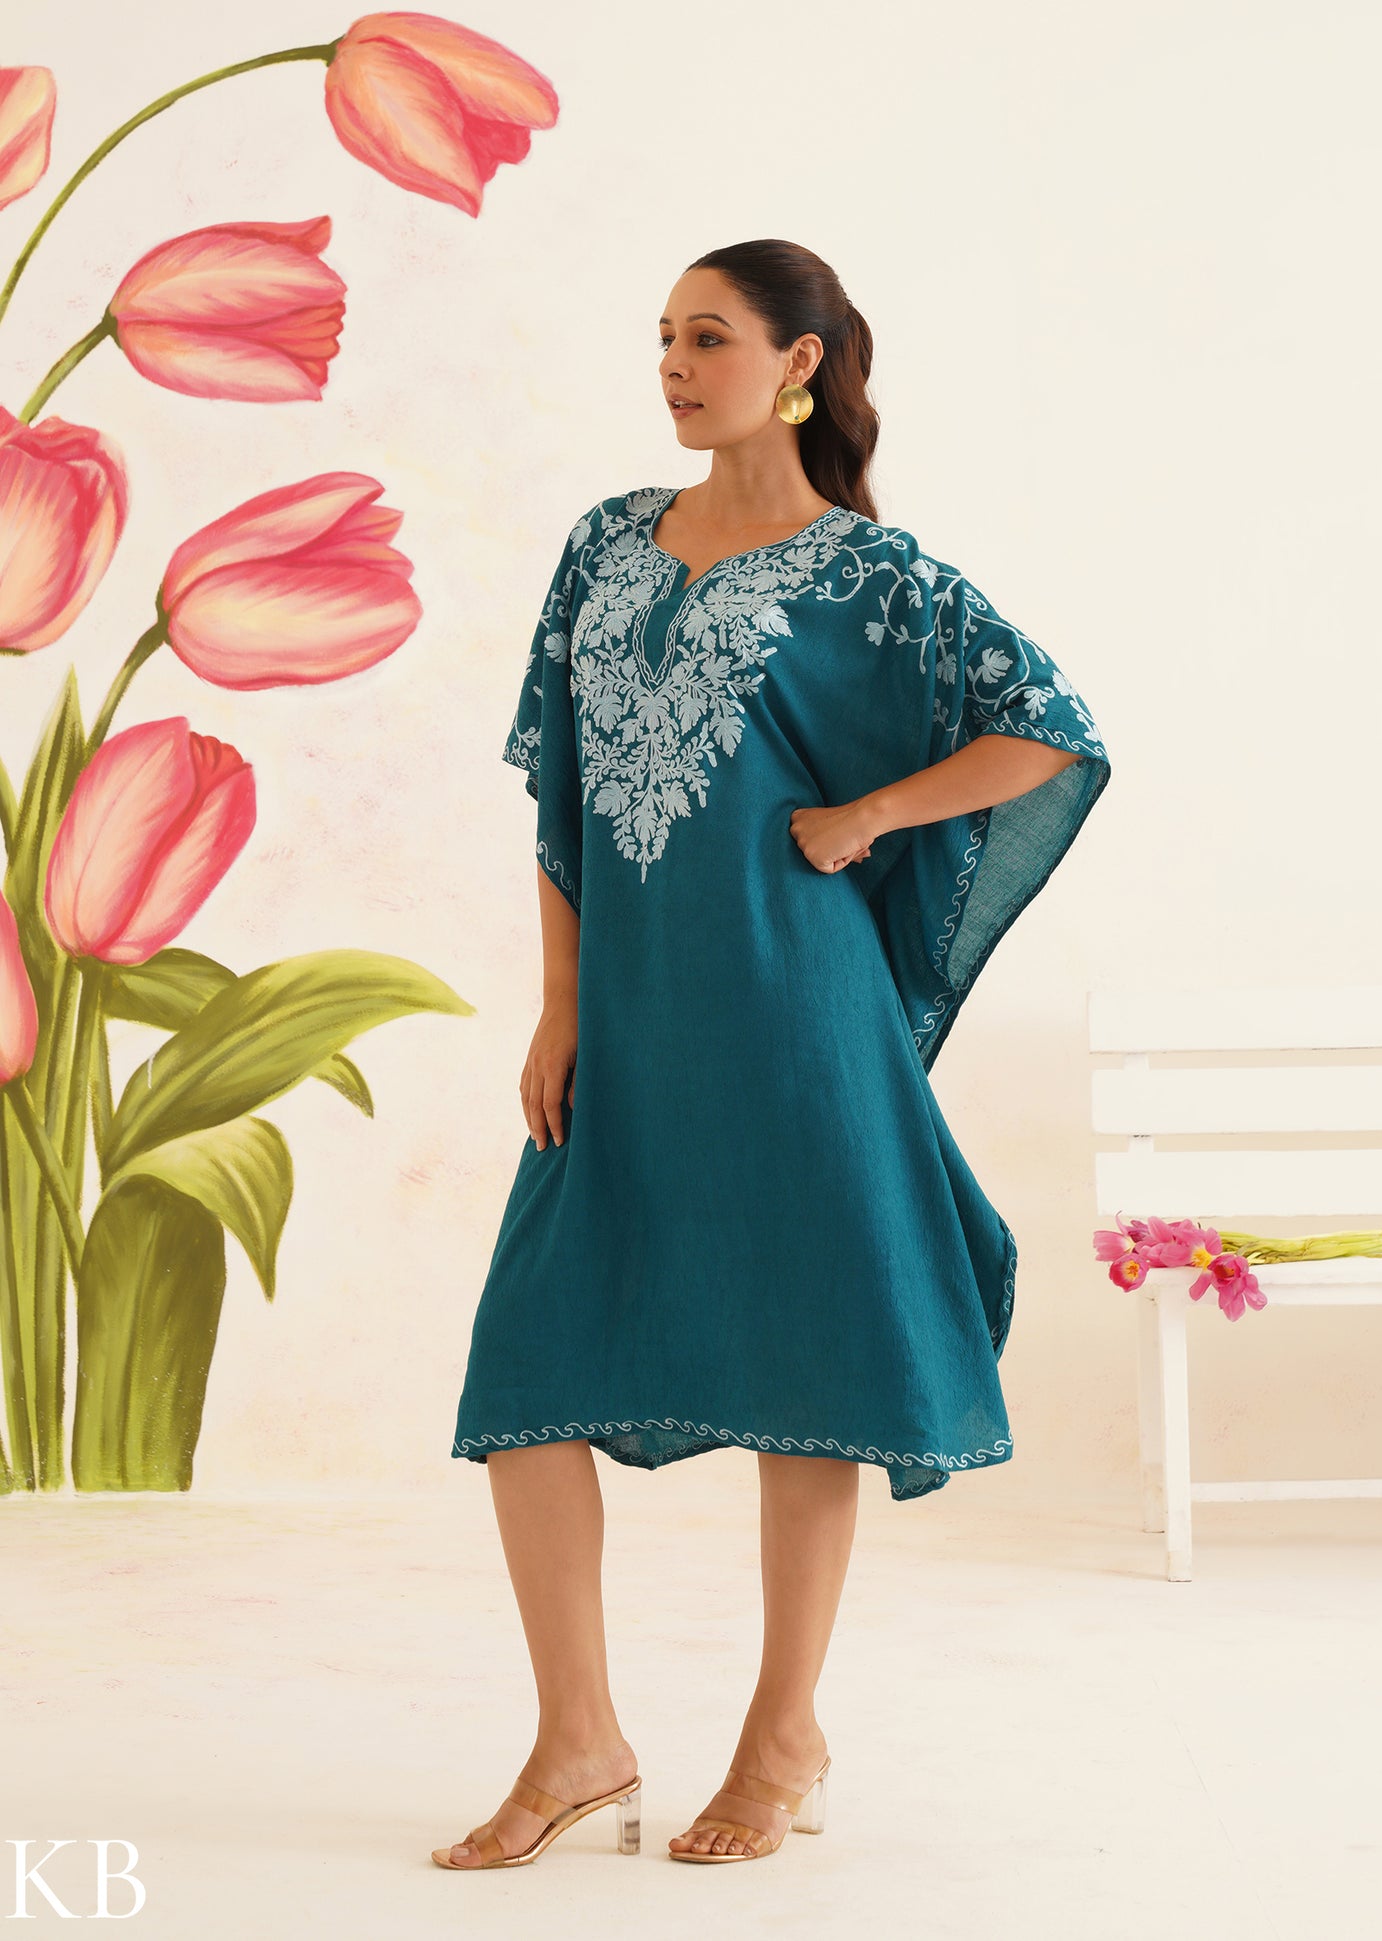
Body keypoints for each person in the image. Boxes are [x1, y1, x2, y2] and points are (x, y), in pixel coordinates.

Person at [433, 239, 1112, 1871]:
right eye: (664, 337)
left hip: (802, 1026)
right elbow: (561, 794)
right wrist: (561, 1001)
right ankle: (579, 1744)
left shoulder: (872, 578)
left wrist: (873, 812)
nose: (674, 365)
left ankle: (782, 1734)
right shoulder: (606, 546)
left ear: (800, 364)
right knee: (526, 1372)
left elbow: (1050, 728)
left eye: (710, 337)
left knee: (815, 1376)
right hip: (631, 1025)